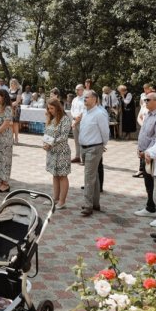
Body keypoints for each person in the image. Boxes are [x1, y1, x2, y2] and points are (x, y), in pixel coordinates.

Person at [78, 89, 110, 217]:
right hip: (84, 147)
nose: (84, 99)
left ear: (94, 99)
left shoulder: (99, 114)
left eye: (87, 97)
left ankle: (88, 205)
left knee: (88, 177)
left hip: (94, 148)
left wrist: (103, 145)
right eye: (84, 97)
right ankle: (95, 203)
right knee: (94, 176)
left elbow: (105, 132)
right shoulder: (85, 112)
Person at [133, 93, 156, 219]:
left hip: (151, 154)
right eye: (144, 99)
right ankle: (150, 207)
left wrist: (146, 152)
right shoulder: (148, 114)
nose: (145, 101)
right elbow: (144, 133)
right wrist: (139, 148)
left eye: (148, 100)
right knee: (147, 181)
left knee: (153, 183)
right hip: (144, 153)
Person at [42, 98, 72, 210]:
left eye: (52, 108)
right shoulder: (51, 118)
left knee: (62, 176)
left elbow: (64, 137)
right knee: (55, 175)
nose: (50, 111)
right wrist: (45, 143)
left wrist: (51, 143)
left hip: (62, 152)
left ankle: (62, 201)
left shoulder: (65, 119)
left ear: (58, 108)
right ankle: (55, 199)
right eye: (48, 108)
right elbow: (47, 133)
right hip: (52, 151)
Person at [69, 85, 86, 163]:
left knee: (83, 140)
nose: (76, 91)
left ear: (82, 90)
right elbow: (72, 110)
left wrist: (77, 120)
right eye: (76, 89)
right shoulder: (75, 99)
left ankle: (84, 158)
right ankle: (77, 156)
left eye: (78, 89)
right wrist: (74, 118)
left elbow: (83, 111)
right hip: (75, 120)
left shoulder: (85, 99)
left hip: (82, 122)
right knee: (76, 140)